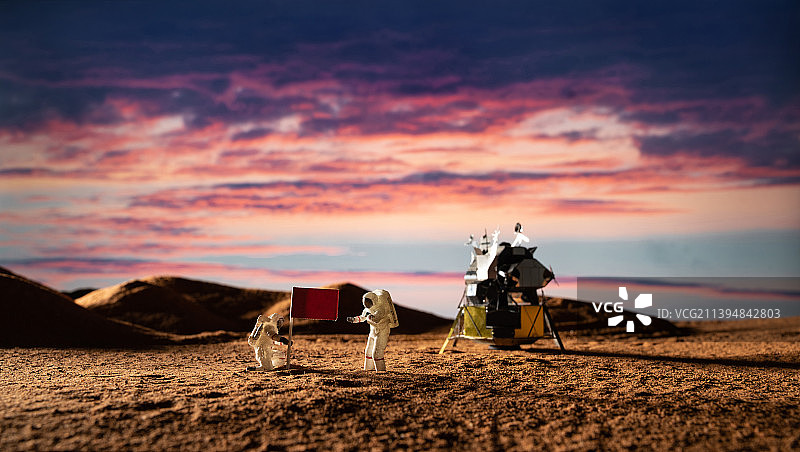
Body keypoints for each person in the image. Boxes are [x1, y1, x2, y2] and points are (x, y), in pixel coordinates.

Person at [346, 289, 399, 371]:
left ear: (373, 300)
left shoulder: (381, 309)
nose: (366, 303)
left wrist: (369, 317)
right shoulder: (367, 310)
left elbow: (376, 319)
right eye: (365, 301)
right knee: (368, 352)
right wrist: (354, 319)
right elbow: (362, 317)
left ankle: (381, 372)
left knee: (377, 354)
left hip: (381, 332)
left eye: (368, 301)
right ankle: (368, 370)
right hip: (373, 332)